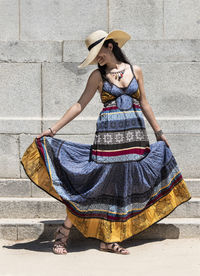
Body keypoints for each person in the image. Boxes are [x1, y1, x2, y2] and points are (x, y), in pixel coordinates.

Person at [21, 30, 191, 255]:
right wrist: (53, 129)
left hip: (134, 140)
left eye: (98, 53)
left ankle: (109, 239)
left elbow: (145, 104)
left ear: (110, 46)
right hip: (107, 142)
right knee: (95, 185)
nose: (97, 58)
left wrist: (158, 133)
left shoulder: (135, 70)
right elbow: (79, 105)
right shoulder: (97, 77)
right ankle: (63, 233)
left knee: (123, 188)